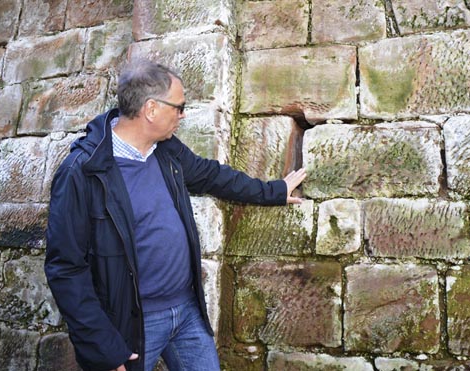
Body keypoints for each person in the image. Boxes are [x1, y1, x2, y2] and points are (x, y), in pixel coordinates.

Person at [44, 59, 306, 371]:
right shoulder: (82, 172)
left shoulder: (166, 150)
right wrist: (102, 347)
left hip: (186, 311)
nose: (182, 114)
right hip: (133, 324)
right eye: (179, 107)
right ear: (151, 109)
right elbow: (66, 269)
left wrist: (273, 191)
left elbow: (211, 176)